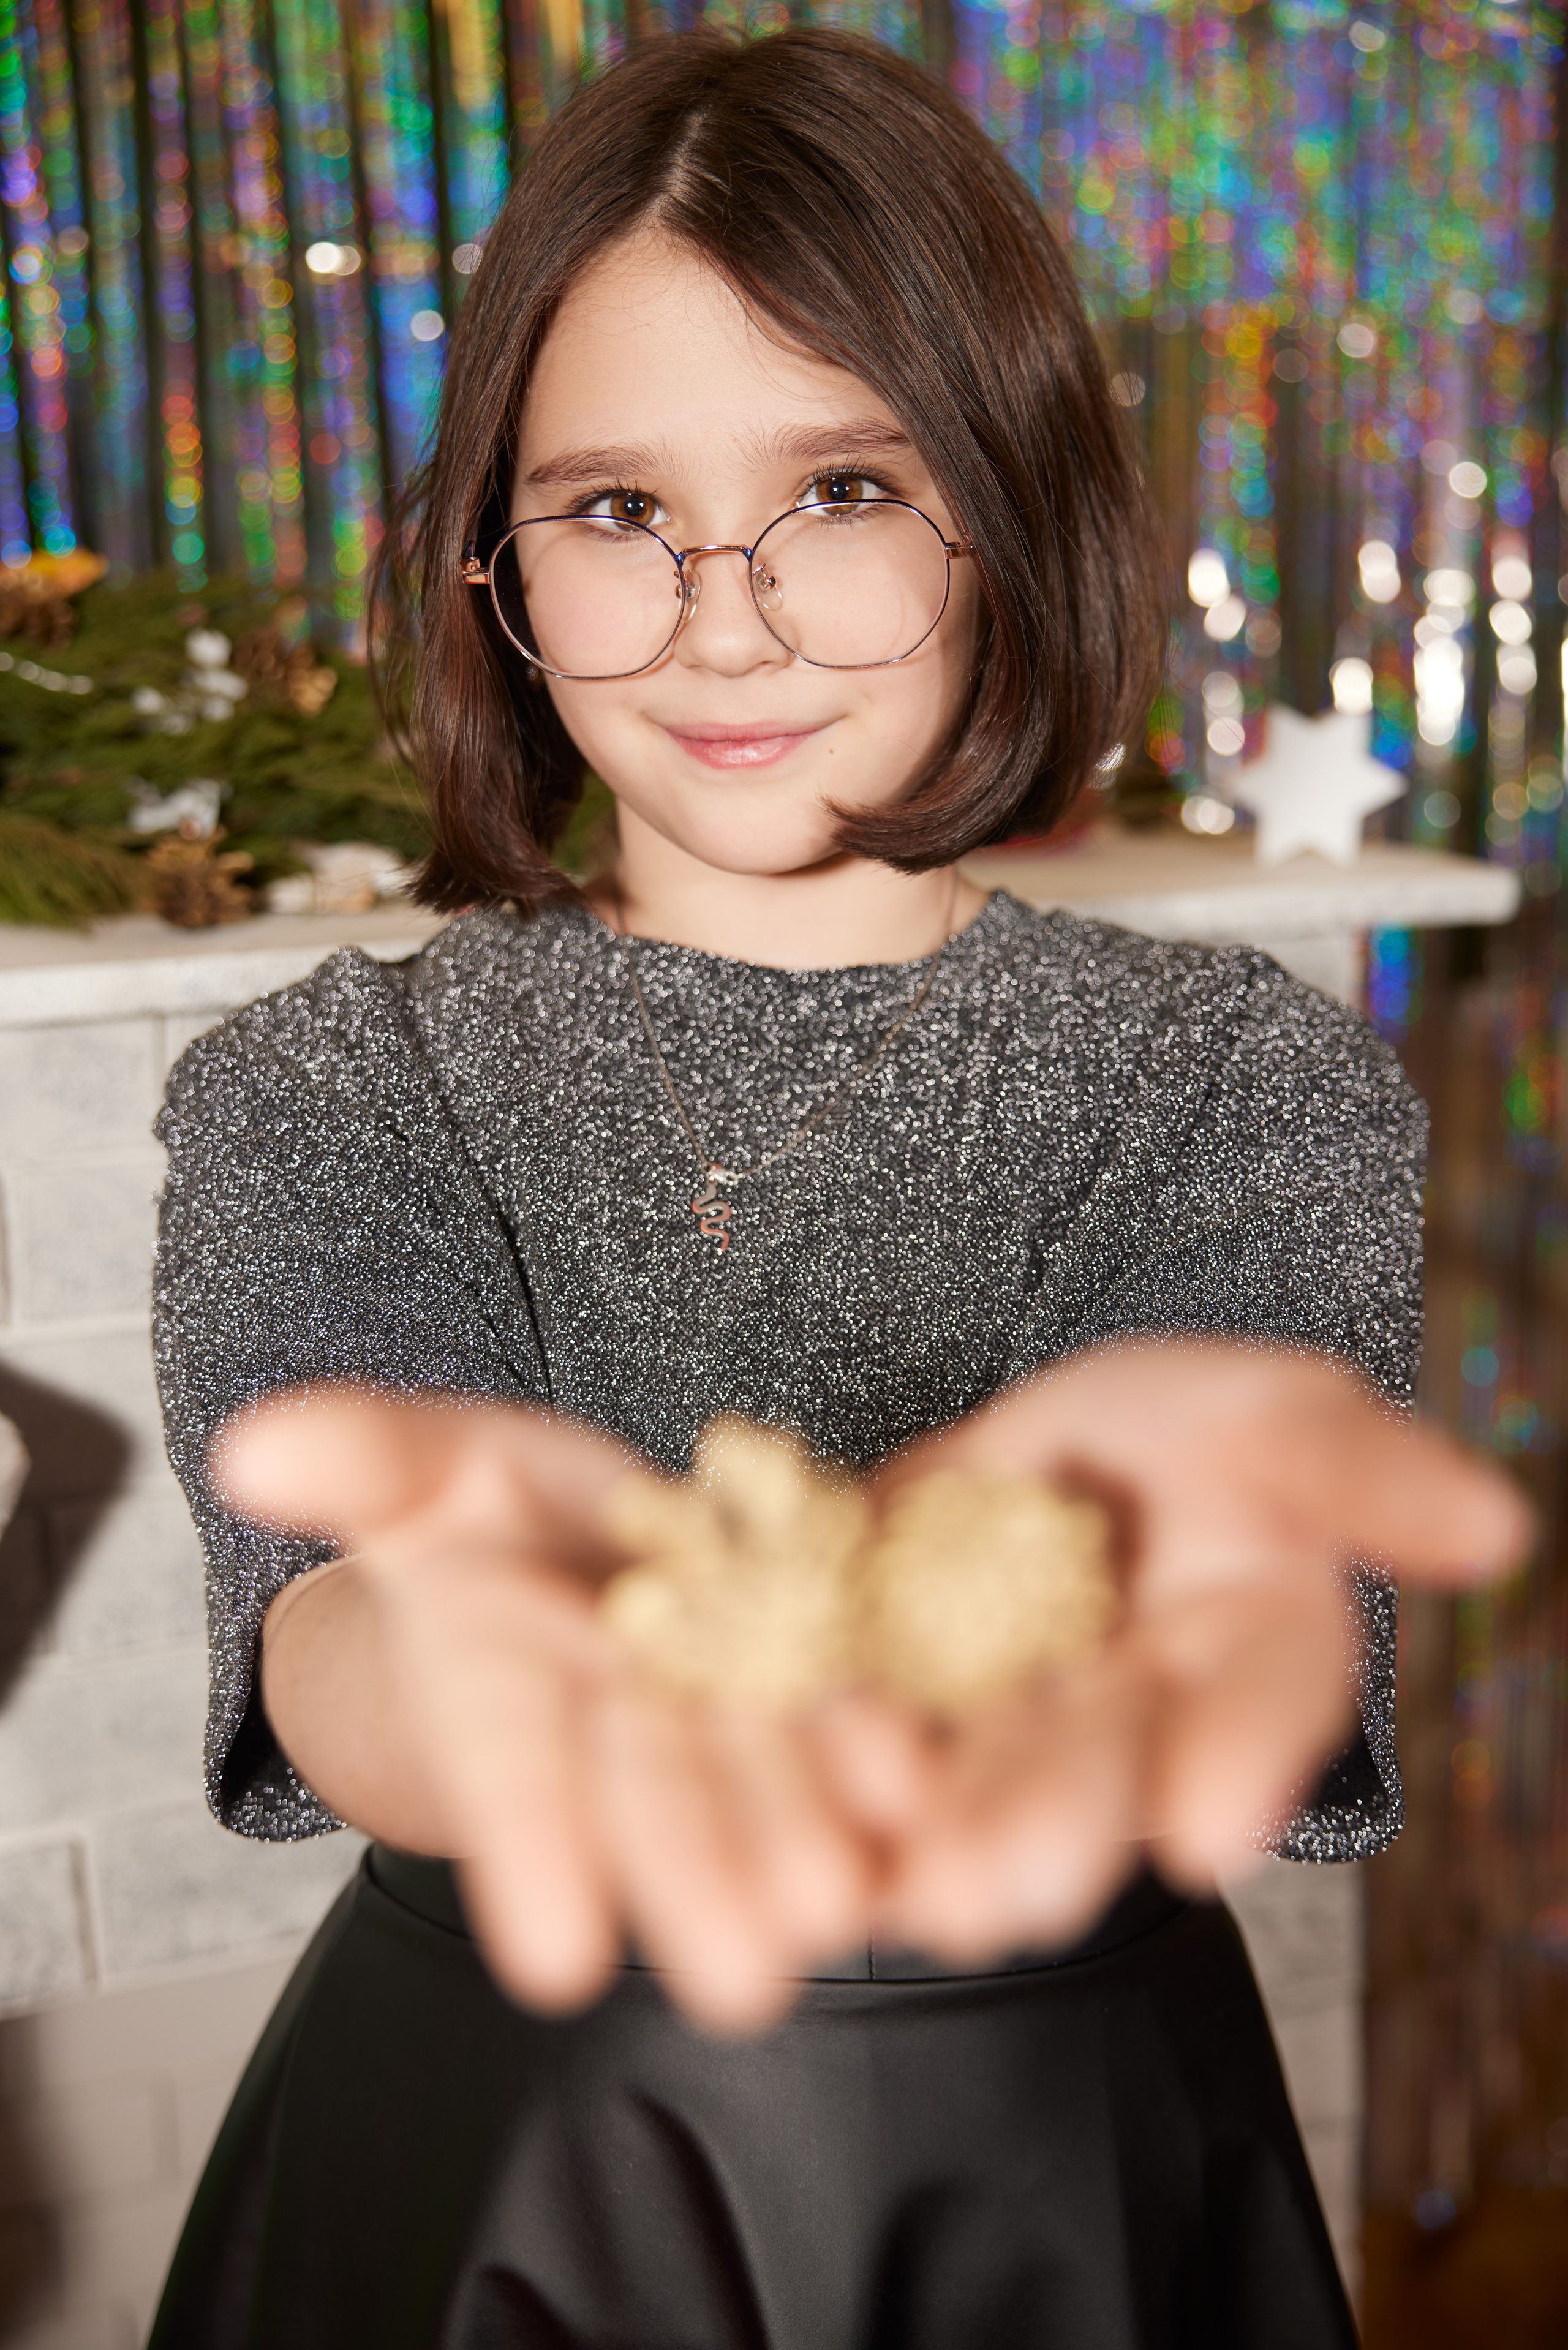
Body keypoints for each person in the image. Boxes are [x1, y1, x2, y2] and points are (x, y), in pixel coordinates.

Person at [146, 28, 1526, 2346]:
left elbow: (1255, 1624)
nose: (723, 614)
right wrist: (546, 1658)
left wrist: (1127, 1604)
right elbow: (342, 1651)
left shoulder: (1243, 1078)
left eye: (841, 494)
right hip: (496, 2159)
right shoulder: (326, 1084)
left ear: (1010, 506)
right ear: (495, 559)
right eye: (611, 511)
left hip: (1067, 2168)